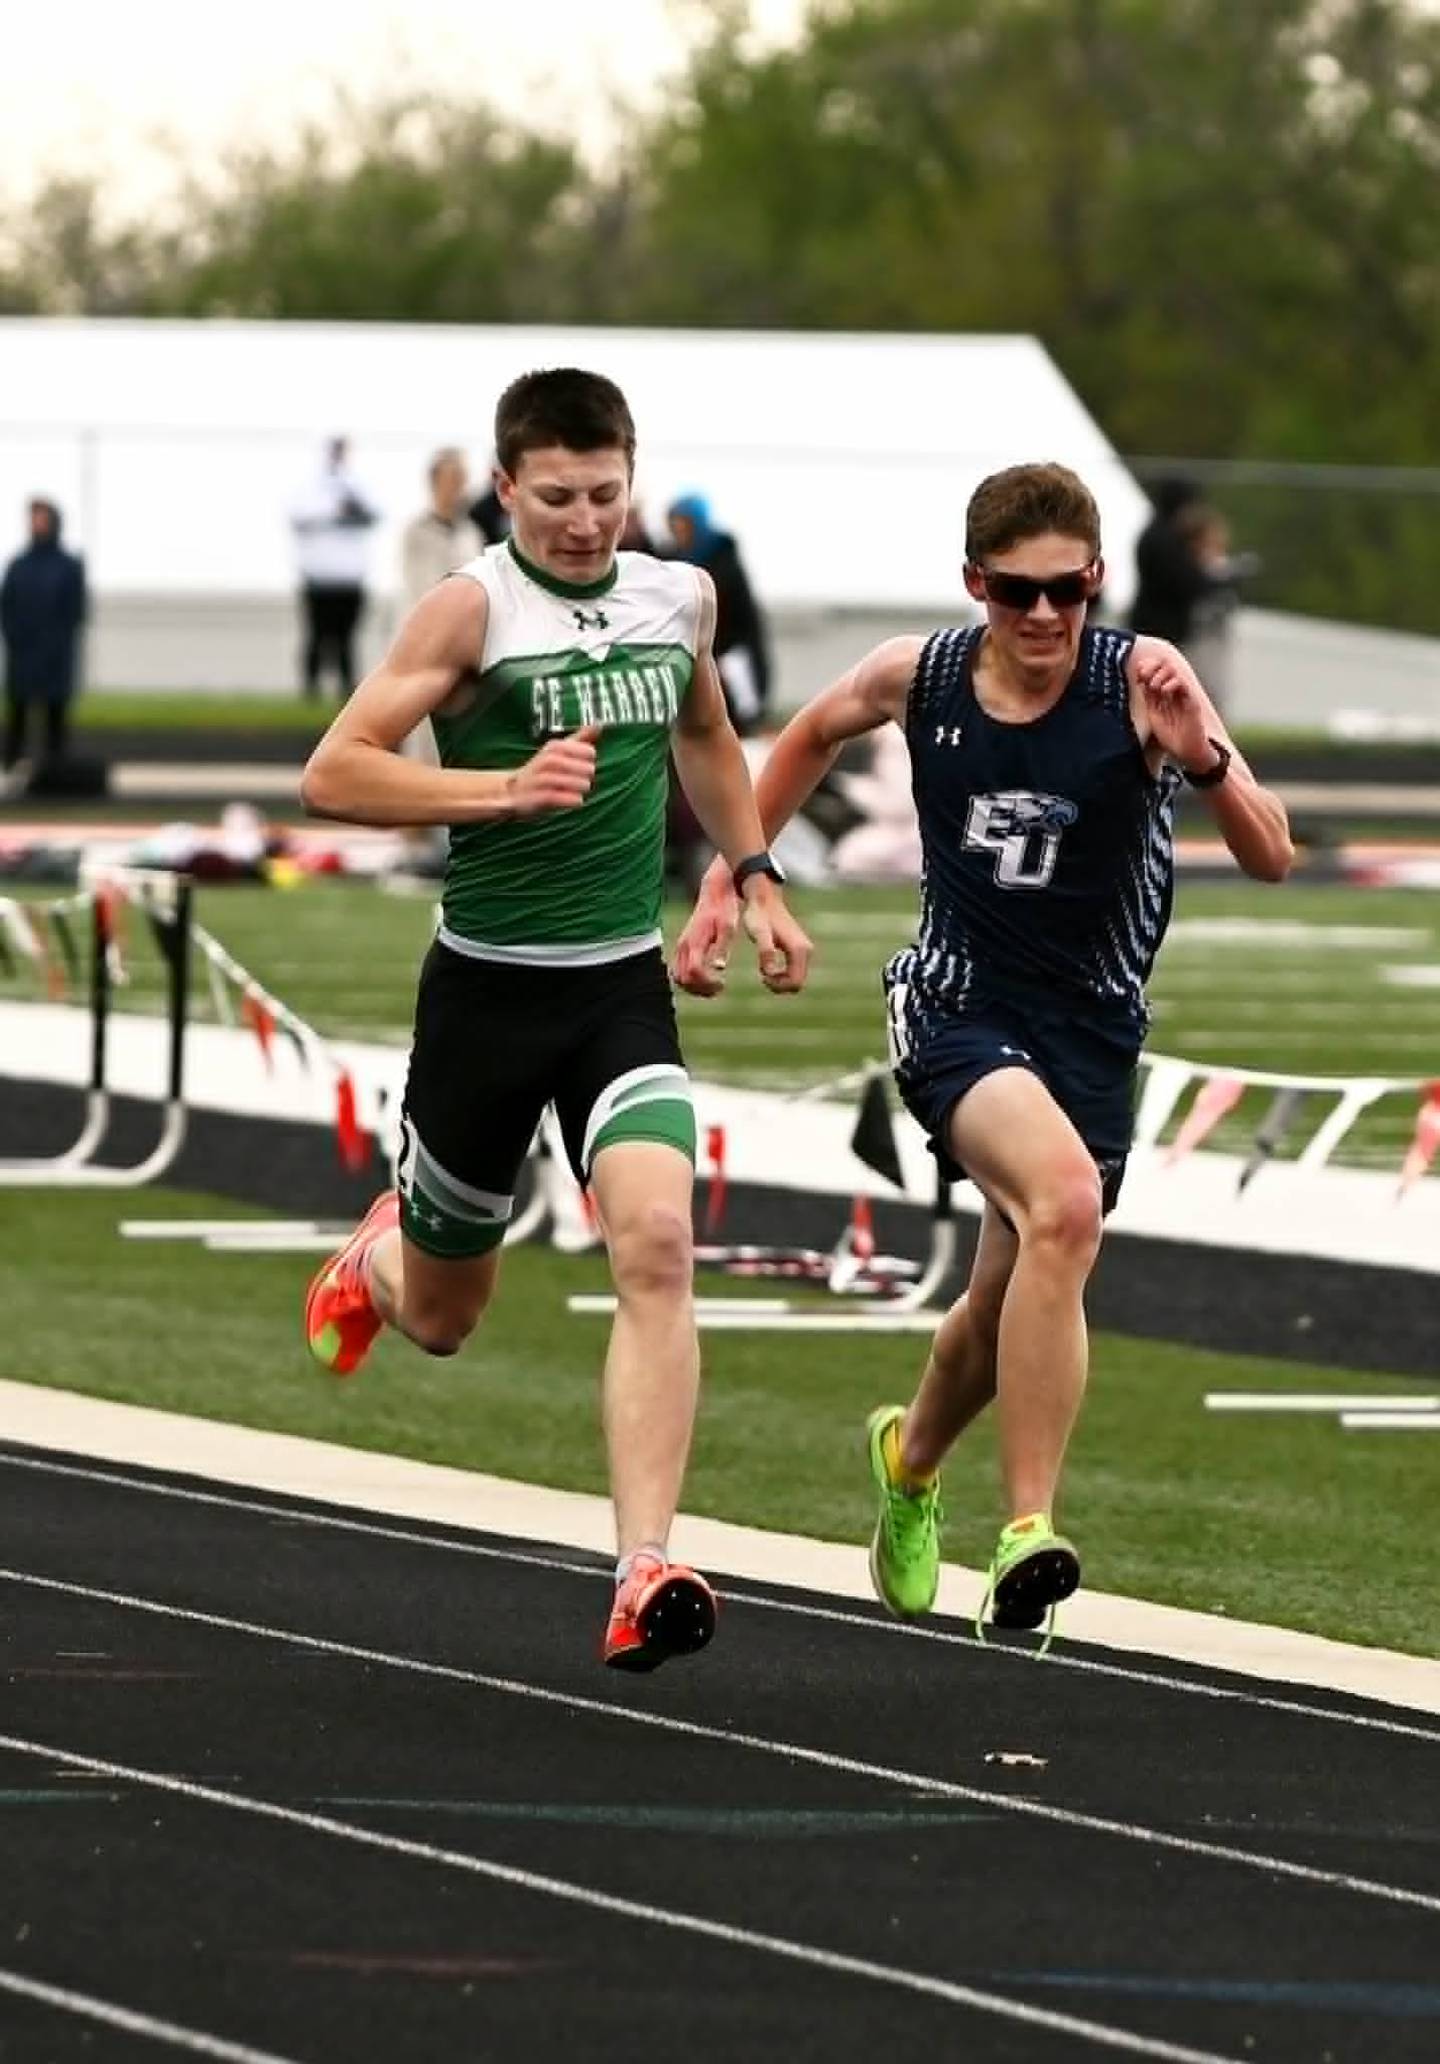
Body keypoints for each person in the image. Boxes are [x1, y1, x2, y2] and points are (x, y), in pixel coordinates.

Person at [675, 461, 1292, 1641]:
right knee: (1063, 1206)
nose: (1048, 618)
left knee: (1002, 1300)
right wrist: (736, 875)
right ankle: (1028, 1536)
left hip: (1093, 1032)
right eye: (1019, 594)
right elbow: (805, 734)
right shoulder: (924, 676)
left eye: (1070, 592)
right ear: (977, 587)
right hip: (958, 1005)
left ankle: (908, 1466)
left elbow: (1269, 853)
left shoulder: (1143, 683)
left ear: (1099, 581)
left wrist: (1202, 755)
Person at [299, 367, 812, 1671]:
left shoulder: (676, 595)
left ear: (632, 479)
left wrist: (749, 874)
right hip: (484, 993)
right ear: (507, 485)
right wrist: (499, 790)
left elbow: (707, 730)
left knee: (656, 1243)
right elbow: (334, 774)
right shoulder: (471, 607)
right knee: (444, 1318)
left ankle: (645, 1565)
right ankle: (375, 1260)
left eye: (606, 494)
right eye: (558, 498)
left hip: (616, 988)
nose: (585, 523)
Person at [1127, 478, 1258, 712]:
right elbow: (1188, 583)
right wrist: (1224, 578)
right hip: (1161, 629)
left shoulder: (1157, 535)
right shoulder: (1163, 540)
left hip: (1160, 627)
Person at [665, 493, 771, 735]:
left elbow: (739, 618)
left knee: (736, 713)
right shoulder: (672, 560)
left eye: (683, 524)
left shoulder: (725, 563)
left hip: (730, 652)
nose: (678, 531)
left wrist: (719, 657)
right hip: (690, 652)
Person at [289, 437, 380, 703]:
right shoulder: (310, 487)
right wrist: (335, 510)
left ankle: (346, 690)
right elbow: (298, 517)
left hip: (350, 578)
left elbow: (374, 514)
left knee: (346, 638)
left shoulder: (357, 485)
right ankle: (311, 690)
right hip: (319, 577)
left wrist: (352, 508)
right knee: (317, 636)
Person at [1, 498, 87, 777]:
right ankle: (12, 766)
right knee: (19, 712)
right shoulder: (19, 565)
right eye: (33, 518)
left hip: (54, 653)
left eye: (41, 517)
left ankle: (54, 772)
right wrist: (15, 636)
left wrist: (57, 641)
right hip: (23, 651)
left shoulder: (67, 566)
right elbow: (7, 605)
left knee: (55, 715)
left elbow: (76, 610)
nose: (36, 523)